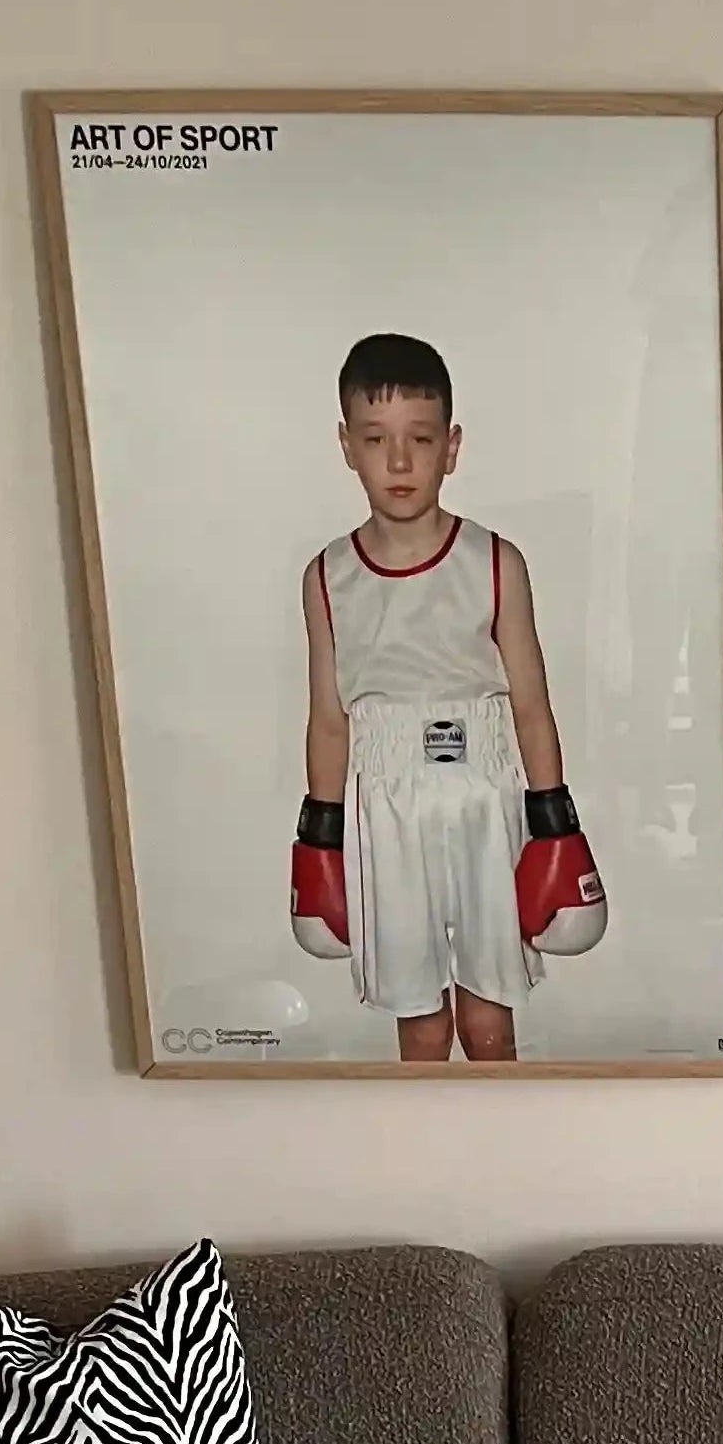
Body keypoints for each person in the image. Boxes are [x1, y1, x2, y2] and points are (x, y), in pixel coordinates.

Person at [286, 333, 604, 1063]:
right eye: (376, 439)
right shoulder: (328, 577)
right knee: (421, 1023)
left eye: (420, 439)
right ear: (347, 445)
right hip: (386, 803)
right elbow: (329, 720)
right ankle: (419, 1135)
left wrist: (555, 821)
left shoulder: (494, 562)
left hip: (483, 796)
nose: (399, 462)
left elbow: (531, 704)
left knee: (488, 1021)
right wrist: (319, 836)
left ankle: (502, 1136)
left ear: (451, 447)